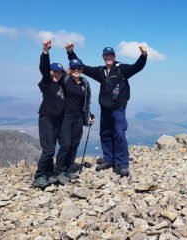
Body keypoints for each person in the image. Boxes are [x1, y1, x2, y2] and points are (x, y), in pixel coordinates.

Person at [66, 43, 147, 177]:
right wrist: (70, 52)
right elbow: (82, 67)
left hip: (118, 108)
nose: (108, 57)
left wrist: (143, 55)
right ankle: (109, 159)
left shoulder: (122, 69)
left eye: (111, 55)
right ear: (103, 57)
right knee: (105, 134)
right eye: (106, 55)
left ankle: (123, 164)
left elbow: (137, 67)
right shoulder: (100, 71)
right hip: (105, 109)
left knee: (120, 134)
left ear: (114, 56)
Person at [53, 56, 94, 184]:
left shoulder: (84, 83)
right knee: (66, 144)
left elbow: (85, 102)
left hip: (78, 117)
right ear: (70, 69)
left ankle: (70, 169)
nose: (76, 69)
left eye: (79, 67)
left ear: (82, 69)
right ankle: (59, 171)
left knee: (75, 144)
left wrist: (89, 115)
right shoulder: (65, 80)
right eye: (74, 67)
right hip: (65, 116)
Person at [32, 40, 66, 189]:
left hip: (58, 120)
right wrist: (45, 51)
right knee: (49, 149)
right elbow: (44, 68)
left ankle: (49, 173)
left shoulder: (62, 85)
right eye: (55, 71)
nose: (57, 74)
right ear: (51, 72)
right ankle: (39, 176)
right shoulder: (47, 81)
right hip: (46, 119)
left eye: (60, 72)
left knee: (53, 147)